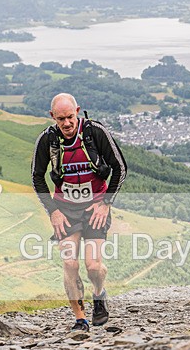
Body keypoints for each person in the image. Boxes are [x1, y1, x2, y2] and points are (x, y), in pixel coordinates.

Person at [31, 93, 128, 333]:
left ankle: (99, 293)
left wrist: (106, 203)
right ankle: (80, 319)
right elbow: (37, 177)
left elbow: (120, 168)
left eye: (70, 117)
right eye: (60, 119)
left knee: (93, 266)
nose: (66, 123)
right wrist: (53, 211)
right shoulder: (47, 139)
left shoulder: (95, 132)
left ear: (77, 112)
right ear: (52, 116)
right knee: (69, 263)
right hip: (65, 209)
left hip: (95, 207)